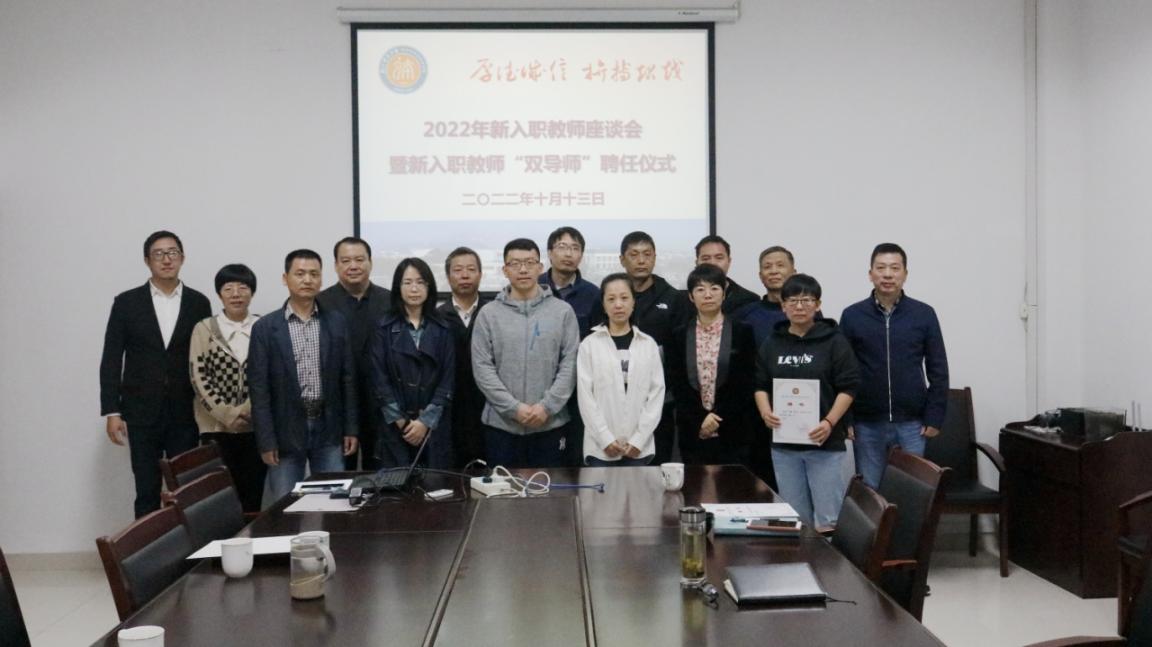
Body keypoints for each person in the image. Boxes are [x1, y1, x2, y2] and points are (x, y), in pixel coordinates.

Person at [100, 230, 212, 517]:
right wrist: (112, 410)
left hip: (184, 412)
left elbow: (205, 358)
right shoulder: (126, 303)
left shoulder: (199, 303)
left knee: (186, 490)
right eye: (158, 254)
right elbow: (111, 358)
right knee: (146, 490)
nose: (166, 259)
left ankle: (187, 547)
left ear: (182, 258)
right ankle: (148, 547)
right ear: (147, 261)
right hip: (140, 412)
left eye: (172, 253)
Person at [248, 249, 358, 505]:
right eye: (300, 274)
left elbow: (348, 379)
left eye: (314, 274)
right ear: (285, 278)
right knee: (285, 506)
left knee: (332, 503)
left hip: (329, 428)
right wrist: (266, 440)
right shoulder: (265, 328)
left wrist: (351, 428)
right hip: (284, 431)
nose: (307, 280)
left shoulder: (336, 322)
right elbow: (259, 389)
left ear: (321, 279)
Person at [840, 243, 949, 488]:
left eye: (894, 268)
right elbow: (842, 372)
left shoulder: (923, 314)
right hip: (867, 423)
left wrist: (934, 417)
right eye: (881, 268)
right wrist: (846, 419)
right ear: (870, 274)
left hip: (912, 423)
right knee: (871, 490)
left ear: (905, 274)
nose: (887, 274)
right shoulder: (852, 315)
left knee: (912, 489)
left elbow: (938, 368)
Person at [755, 274, 859, 531]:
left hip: (824, 443)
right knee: (794, 518)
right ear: (783, 306)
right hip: (784, 447)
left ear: (818, 304)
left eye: (806, 300)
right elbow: (760, 384)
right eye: (792, 301)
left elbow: (848, 387)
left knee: (828, 518)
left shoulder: (834, 341)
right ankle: (800, 558)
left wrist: (829, 422)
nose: (799, 306)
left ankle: (830, 559)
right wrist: (766, 412)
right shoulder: (773, 342)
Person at [472, 238, 579, 468]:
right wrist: (514, 408)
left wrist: (546, 407)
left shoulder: (562, 312)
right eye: (515, 263)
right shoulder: (488, 314)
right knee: (503, 489)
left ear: (540, 267)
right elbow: (482, 368)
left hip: (551, 425)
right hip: (501, 427)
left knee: (550, 489)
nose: (523, 269)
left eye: (530, 262)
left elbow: (570, 364)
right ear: (505, 270)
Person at [188, 264, 265, 513]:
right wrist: (227, 414)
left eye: (243, 288)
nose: (236, 294)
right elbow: (198, 377)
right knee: (219, 499)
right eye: (228, 288)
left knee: (253, 495)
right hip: (215, 429)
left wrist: (248, 409)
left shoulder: (263, 327)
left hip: (255, 427)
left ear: (252, 292)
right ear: (219, 294)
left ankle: (250, 538)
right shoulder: (204, 328)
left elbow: (269, 375)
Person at [665, 264, 756, 466]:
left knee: (732, 484)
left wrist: (717, 418)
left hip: (732, 428)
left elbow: (745, 382)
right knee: (694, 484)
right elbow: (678, 383)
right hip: (693, 428)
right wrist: (701, 419)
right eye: (700, 289)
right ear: (691, 296)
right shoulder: (678, 334)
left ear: (724, 294)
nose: (708, 295)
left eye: (714, 288)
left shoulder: (742, 332)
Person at [371, 258, 455, 469]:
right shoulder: (383, 327)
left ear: (429, 287)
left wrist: (425, 422)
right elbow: (378, 378)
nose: (414, 289)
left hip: (434, 426)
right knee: (396, 485)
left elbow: (448, 379)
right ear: (398, 287)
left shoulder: (443, 328)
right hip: (395, 425)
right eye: (407, 282)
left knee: (435, 485)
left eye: (420, 282)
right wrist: (402, 421)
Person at [316, 236, 390, 471]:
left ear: (370, 262)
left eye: (359, 259)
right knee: (339, 477)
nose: (353, 266)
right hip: (336, 405)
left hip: (381, 404)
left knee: (381, 475)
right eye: (346, 261)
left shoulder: (390, 301)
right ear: (336, 265)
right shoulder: (321, 303)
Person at [618, 231, 692, 464]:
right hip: (616, 399)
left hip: (660, 401)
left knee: (655, 468)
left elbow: (682, 353)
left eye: (647, 254)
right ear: (622, 260)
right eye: (634, 254)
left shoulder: (674, 298)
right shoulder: (613, 297)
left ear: (655, 258)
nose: (641, 260)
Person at [577, 273, 665, 466]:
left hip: (639, 448)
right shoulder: (589, 345)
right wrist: (605, 439)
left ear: (634, 302)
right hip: (600, 448)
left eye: (624, 298)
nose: (618, 305)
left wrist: (639, 439)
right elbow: (585, 397)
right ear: (603, 304)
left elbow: (656, 395)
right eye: (611, 299)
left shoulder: (648, 344)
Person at [539, 226, 603, 466]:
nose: (569, 254)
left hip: (580, 391)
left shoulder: (594, 294)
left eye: (575, 248)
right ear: (549, 253)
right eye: (562, 247)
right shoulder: (534, 288)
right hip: (540, 389)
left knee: (575, 458)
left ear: (581, 255)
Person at [436, 247, 491, 467]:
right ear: (448, 276)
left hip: (489, 409)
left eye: (471, 269)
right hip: (450, 412)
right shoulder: (437, 318)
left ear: (480, 274)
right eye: (458, 270)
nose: (465, 275)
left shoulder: (493, 313)